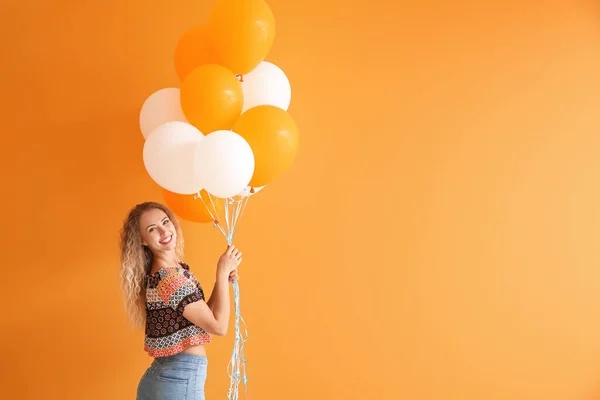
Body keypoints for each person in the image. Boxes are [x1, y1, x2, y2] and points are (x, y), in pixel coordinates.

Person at [119, 201, 242, 400]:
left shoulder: (174, 272)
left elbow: (202, 317)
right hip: (179, 379)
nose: (164, 231)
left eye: (165, 222)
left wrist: (222, 282)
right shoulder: (169, 278)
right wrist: (221, 271)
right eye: (152, 229)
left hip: (166, 378)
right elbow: (218, 326)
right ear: (142, 240)